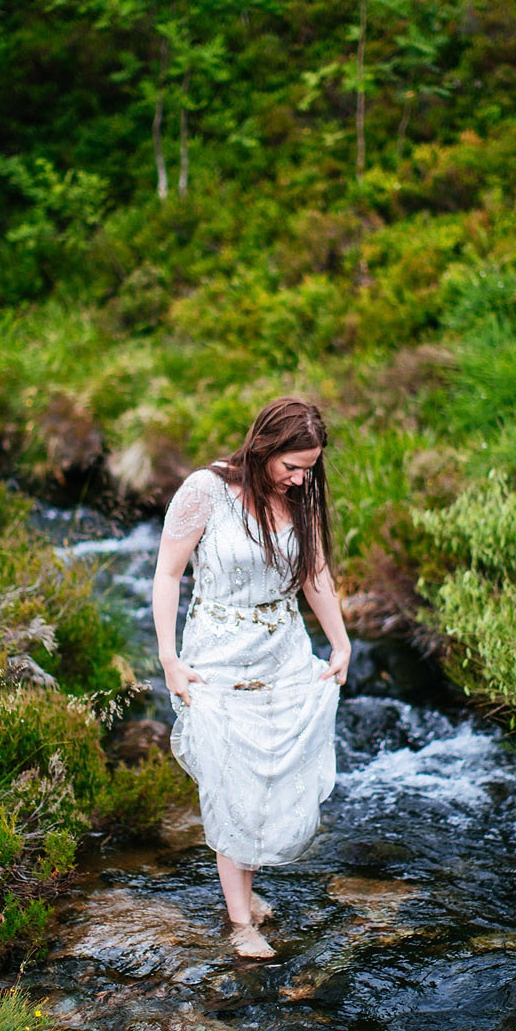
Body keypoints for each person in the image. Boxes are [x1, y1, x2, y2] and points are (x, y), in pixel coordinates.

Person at [152, 397, 351, 959]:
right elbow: (168, 574)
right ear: (264, 448)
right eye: (292, 465)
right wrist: (169, 656)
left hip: (282, 657)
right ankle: (241, 924)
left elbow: (314, 574)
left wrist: (340, 641)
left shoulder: (302, 497)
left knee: (269, 776)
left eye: (310, 467)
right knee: (232, 782)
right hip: (215, 659)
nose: (301, 477)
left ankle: (245, 885)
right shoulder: (205, 491)